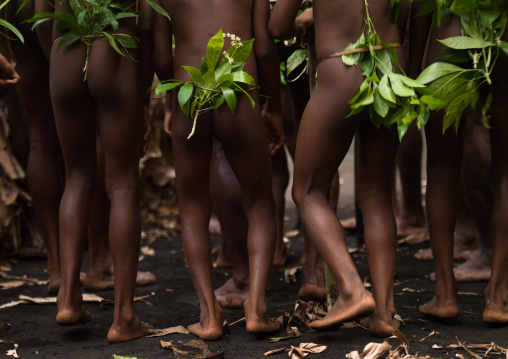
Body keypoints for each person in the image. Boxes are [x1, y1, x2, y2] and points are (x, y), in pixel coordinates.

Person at [270, 0, 408, 337]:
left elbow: (278, 27)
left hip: (342, 67)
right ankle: (384, 313)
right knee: (376, 194)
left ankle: (351, 290)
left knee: (307, 191)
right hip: (391, 67)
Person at [154, 0, 284, 340]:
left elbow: (157, 51)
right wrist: (274, 105)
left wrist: (172, 97)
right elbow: (266, 46)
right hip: (238, 84)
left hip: (189, 87)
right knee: (260, 203)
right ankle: (256, 309)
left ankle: (209, 316)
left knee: (193, 208)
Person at [48, 0, 154, 342]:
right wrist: (143, 95)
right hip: (116, 47)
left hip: (64, 48)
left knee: (75, 177)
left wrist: (58, 51)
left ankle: (68, 298)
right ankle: (124, 318)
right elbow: (149, 23)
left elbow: (41, 17)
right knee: (122, 184)